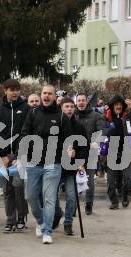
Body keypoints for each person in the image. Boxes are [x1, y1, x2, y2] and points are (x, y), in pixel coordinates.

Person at [20, 85, 72, 244]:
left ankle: (48, 231)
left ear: (55, 97)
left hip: (53, 163)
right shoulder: (33, 113)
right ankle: (41, 221)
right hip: (34, 162)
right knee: (30, 196)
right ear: (41, 95)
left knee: (49, 199)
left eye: (50, 93)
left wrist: (69, 149)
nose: (47, 96)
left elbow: (68, 138)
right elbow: (24, 134)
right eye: (44, 93)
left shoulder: (62, 116)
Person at [0, 79, 31, 233]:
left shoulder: (26, 108)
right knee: (7, 189)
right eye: (12, 89)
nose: (15, 92)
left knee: (19, 186)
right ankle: (10, 220)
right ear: (5, 91)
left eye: (17, 89)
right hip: (2, 156)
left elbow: (28, 132)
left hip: (19, 155)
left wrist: (18, 155)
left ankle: (21, 217)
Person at [57, 97, 89, 235]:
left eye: (71, 106)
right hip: (57, 165)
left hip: (72, 167)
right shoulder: (55, 125)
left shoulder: (79, 127)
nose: (69, 109)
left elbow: (84, 147)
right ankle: (57, 214)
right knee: (52, 196)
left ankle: (68, 222)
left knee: (72, 196)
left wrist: (78, 156)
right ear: (61, 108)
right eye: (66, 106)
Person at [107, 95, 131, 208]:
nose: (118, 106)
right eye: (116, 104)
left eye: (120, 104)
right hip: (111, 154)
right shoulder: (105, 118)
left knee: (127, 180)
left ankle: (124, 196)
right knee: (111, 182)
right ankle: (114, 202)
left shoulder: (128, 116)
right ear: (112, 106)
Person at [75, 93, 107, 215]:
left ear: (87, 102)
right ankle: (73, 204)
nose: (81, 103)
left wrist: (97, 142)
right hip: (76, 154)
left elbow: (103, 131)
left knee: (89, 180)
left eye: (83, 100)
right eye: (79, 101)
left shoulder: (96, 116)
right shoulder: (73, 115)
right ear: (76, 102)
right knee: (75, 179)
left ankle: (89, 204)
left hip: (90, 153)